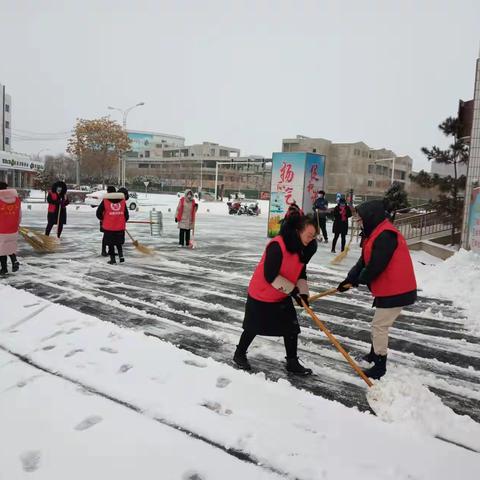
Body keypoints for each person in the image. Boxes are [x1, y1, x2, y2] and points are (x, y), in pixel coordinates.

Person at [337, 199, 417, 379]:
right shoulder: (374, 232)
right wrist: (349, 279)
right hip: (388, 287)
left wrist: (359, 280)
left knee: (379, 326)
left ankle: (380, 365)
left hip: (397, 288)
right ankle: (374, 354)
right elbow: (364, 261)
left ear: (371, 217)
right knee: (378, 324)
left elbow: (375, 266)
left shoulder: (386, 235)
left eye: (361, 218)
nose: (359, 222)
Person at [233, 213, 318, 375]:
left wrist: (304, 294)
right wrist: (294, 292)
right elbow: (270, 275)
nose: (310, 239)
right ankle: (239, 354)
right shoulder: (277, 245)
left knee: (291, 328)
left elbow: (301, 274)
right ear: (298, 231)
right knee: (253, 327)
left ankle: (292, 362)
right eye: (309, 235)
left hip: (281, 293)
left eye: (313, 237)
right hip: (261, 293)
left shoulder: (302, 249)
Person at [96, 190, 129, 264]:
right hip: (120, 227)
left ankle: (113, 259)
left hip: (109, 227)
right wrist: (122, 220)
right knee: (118, 242)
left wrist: (103, 219)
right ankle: (121, 257)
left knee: (110, 244)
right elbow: (126, 215)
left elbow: (98, 213)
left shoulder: (105, 201)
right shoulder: (123, 202)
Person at [0, 182, 21, 276]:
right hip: (13, 229)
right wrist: (16, 225)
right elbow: (20, 215)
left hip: (1, 229)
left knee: (2, 250)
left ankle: (4, 269)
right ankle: (14, 261)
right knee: (10, 246)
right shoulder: (16, 200)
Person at [99, 186, 116, 256]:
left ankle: (110, 251)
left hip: (113, 222)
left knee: (112, 236)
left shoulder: (115, 200)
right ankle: (103, 251)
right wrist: (103, 219)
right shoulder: (106, 200)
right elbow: (99, 212)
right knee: (106, 236)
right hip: (106, 222)